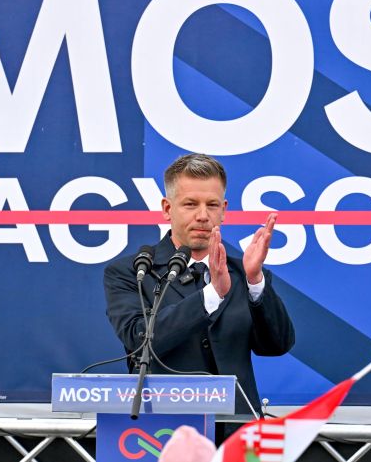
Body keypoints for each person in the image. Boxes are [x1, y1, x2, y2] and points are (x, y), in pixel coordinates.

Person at [104, 153, 295, 416]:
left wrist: (255, 281)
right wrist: (212, 294)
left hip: (236, 429)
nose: (203, 216)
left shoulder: (244, 273)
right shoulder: (132, 272)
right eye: (190, 204)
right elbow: (140, 338)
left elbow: (277, 345)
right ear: (167, 209)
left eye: (212, 205)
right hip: (163, 428)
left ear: (224, 210)